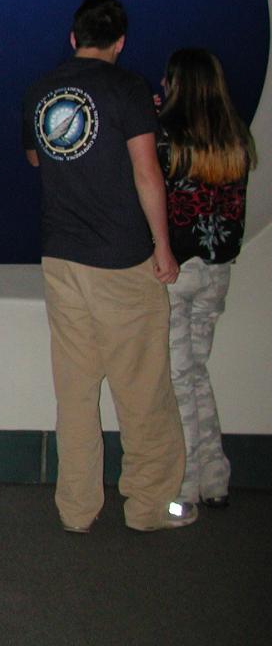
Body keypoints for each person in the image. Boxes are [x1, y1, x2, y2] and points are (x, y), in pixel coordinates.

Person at [22, 0, 190, 532]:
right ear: (120, 42)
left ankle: (76, 509)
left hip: (61, 257)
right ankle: (146, 508)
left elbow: (34, 155)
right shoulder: (127, 88)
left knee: (75, 390)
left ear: (73, 38)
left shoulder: (42, 88)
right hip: (121, 258)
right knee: (142, 389)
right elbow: (147, 173)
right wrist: (163, 246)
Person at [157, 48, 256, 511]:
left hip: (177, 271)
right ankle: (214, 476)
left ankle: (185, 486)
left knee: (177, 381)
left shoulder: (168, 139)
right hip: (218, 271)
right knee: (195, 373)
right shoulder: (236, 138)